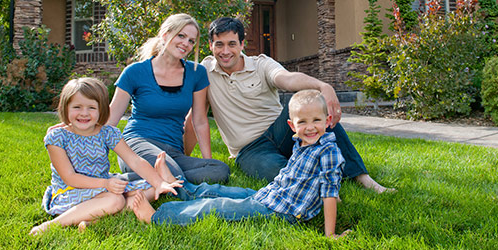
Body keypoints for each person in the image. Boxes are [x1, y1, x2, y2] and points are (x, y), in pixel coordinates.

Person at [186, 17, 392, 193]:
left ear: (242, 44)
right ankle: (316, 181)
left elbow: (289, 79)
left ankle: (362, 177)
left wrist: (323, 86)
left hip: (283, 130)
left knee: (314, 105)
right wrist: (200, 161)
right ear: (210, 46)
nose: (225, 51)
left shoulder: (261, 64)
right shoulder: (204, 72)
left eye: (231, 44)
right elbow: (197, 118)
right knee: (280, 175)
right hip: (249, 150)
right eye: (219, 44)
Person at [131, 90, 351, 238]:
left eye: (316, 121)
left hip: (282, 211)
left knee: (218, 207)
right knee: (220, 191)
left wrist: (330, 235)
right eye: (302, 122)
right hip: (272, 195)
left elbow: (329, 194)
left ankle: (158, 217)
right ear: (292, 126)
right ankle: (181, 187)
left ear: (328, 121)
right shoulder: (302, 141)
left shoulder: (328, 152)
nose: (310, 127)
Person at [30, 78, 183, 235]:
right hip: (71, 191)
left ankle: (93, 219)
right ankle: (53, 224)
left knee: (151, 188)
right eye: (77, 107)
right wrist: (105, 183)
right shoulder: (57, 137)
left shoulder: (107, 133)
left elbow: (135, 161)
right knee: (116, 200)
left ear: (101, 109)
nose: (84, 113)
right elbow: (69, 177)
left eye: (91, 107)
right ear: (65, 108)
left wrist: (158, 183)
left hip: (103, 188)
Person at [108, 13, 229, 185]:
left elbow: (200, 121)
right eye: (181, 35)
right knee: (170, 170)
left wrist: (207, 162)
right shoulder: (135, 72)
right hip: (137, 143)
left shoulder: (197, 73)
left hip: (173, 151)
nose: (186, 44)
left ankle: (133, 181)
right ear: (165, 35)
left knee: (220, 170)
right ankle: (161, 178)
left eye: (191, 41)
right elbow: (111, 120)